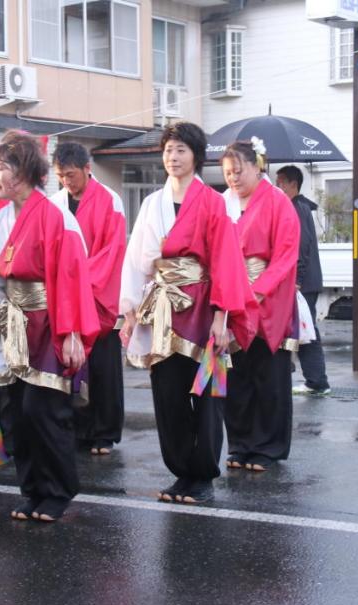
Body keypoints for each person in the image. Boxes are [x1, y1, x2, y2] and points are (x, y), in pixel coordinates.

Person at [119, 122, 256, 504]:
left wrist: (221, 316)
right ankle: (181, 471)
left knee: (207, 393)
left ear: (195, 155)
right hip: (162, 308)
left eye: (180, 150)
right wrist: (128, 311)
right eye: (168, 150)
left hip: (201, 305)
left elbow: (226, 261)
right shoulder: (151, 204)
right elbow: (135, 261)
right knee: (168, 393)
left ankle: (203, 474)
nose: (173, 157)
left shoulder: (215, 203)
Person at [0, 130, 99, 522]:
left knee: (43, 409)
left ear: (24, 170)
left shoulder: (55, 216)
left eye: (1, 168)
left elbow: (72, 274)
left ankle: (57, 490)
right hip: (11, 323)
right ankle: (32, 489)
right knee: (16, 414)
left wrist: (72, 331)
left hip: (47, 322)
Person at [223, 140, 301, 473]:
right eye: (227, 173)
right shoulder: (222, 204)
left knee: (269, 377)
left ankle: (268, 447)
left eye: (239, 171)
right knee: (236, 377)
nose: (234, 179)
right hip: (231, 295)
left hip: (269, 297)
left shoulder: (278, 202)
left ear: (258, 167)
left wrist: (257, 291)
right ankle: (241, 443)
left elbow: (285, 255)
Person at [50, 142, 127, 456]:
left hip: (98, 295)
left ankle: (105, 431)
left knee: (103, 367)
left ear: (86, 169)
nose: (66, 181)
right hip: (67, 294)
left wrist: (81, 283)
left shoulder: (111, 200)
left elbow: (113, 250)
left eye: (71, 175)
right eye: (60, 176)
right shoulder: (54, 203)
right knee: (70, 365)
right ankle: (79, 428)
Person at [276, 165, 330, 396]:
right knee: (302, 330)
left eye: (280, 182)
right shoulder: (300, 206)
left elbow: (301, 245)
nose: (277, 187)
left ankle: (317, 381)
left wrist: (296, 278)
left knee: (306, 330)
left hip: (302, 282)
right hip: (305, 280)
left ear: (292, 184)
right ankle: (314, 380)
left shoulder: (296, 208)